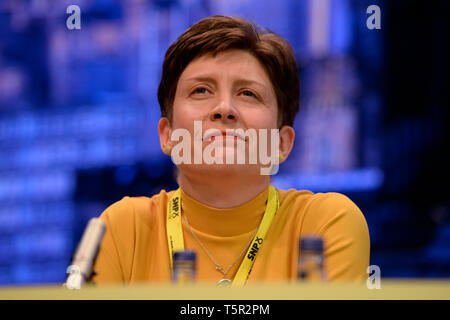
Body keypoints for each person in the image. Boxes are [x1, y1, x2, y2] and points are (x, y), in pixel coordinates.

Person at [91, 15, 370, 286]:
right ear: (168, 136)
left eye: (248, 94)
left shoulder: (325, 223)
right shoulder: (122, 229)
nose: (224, 109)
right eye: (201, 90)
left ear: (281, 144)